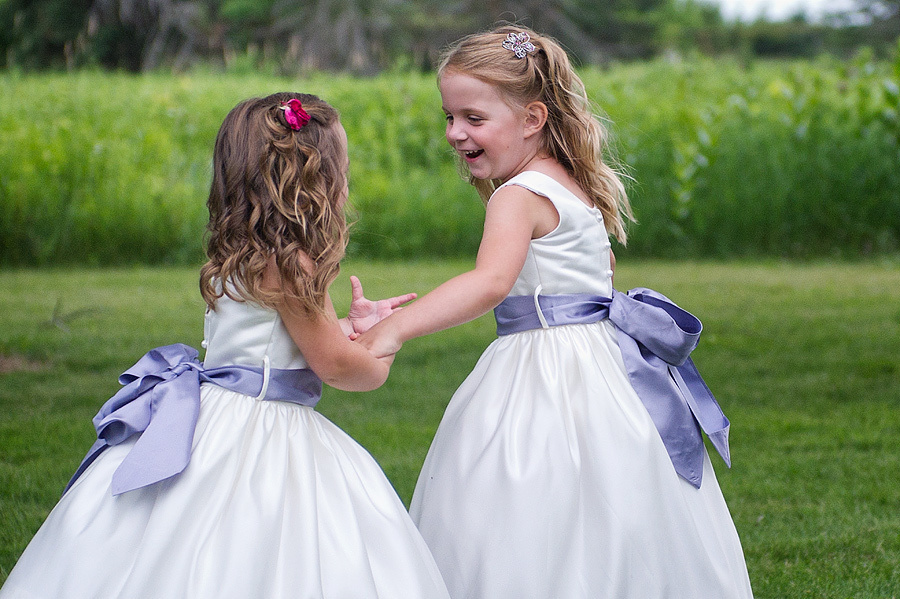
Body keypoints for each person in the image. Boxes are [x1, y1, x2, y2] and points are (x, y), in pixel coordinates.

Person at [0, 93, 450, 599]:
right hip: (261, 422)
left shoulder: (241, 250)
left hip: (214, 412)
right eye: (343, 168)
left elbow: (272, 343)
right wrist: (382, 345)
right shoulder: (295, 262)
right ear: (316, 181)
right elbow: (337, 367)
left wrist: (348, 325)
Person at [357, 26, 754, 598]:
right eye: (448, 117)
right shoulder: (574, 186)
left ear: (532, 117)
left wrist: (395, 329)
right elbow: (603, 277)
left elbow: (490, 283)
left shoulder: (516, 195)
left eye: (472, 117)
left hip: (542, 370)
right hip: (605, 368)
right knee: (609, 496)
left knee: (524, 498)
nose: (454, 133)